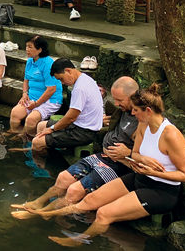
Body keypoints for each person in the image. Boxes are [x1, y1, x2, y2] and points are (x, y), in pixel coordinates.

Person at [37, 84, 185, 247]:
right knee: (91, 198)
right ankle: (45, 212)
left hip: (161, 190)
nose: (132, 114)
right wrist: (143, 161)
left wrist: (156, 173)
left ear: (147, 110)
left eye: (135, 110)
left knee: (104, 213)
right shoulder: (143, 125)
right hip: (140, 177)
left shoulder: (171, 135)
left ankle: (78, 240)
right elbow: (136, 153)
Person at [11, 77, 139, 217]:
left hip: (120, 165)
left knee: (74, 190)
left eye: (119, 100)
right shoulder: (123, 111)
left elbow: (153, 156)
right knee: (63, 177)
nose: (116, 103)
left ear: (133, 97)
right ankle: (38, 202)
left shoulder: (143, 119)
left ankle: (42, 213)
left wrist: (129, 152)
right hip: (104, 155)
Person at [32, 58, 104, 153]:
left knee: (37, 142)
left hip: (84, 132)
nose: (62, 83)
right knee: (41, 126)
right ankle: (49, 149)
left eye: (61, 79)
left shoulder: (80, 88)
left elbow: (71, 118)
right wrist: (51, 129)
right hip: (79, 125)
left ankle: (43, 164)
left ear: (68, 71)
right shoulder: (85, 78)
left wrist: (52, 129)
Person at [8, 36, 62, 137]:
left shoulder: (48, 64)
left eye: (30, 47)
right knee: (15, 113)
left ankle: (26, 138)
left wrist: (36, 104)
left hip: (50, 100)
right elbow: (26, 80)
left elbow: (51, 89)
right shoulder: (30, 61)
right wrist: (24, 94)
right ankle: (14, 133)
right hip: (32, 98)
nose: (27, 50)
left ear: (40, 49)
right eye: (26, 47)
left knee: (31, 119)